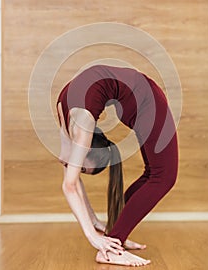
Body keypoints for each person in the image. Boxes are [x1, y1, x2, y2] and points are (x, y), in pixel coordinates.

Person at [56, 65, 178, 267]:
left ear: (86, 148)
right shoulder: (70, 122)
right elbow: (72, 182)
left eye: (82, 168)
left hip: (147, 98)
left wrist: (96, 236)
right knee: (157, 175)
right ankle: (115, 241)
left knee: (161, 176)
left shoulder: (80, 126)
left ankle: (114, 242)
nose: (78, 169)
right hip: (135, 96)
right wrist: (93, 224)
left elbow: (70, 185)